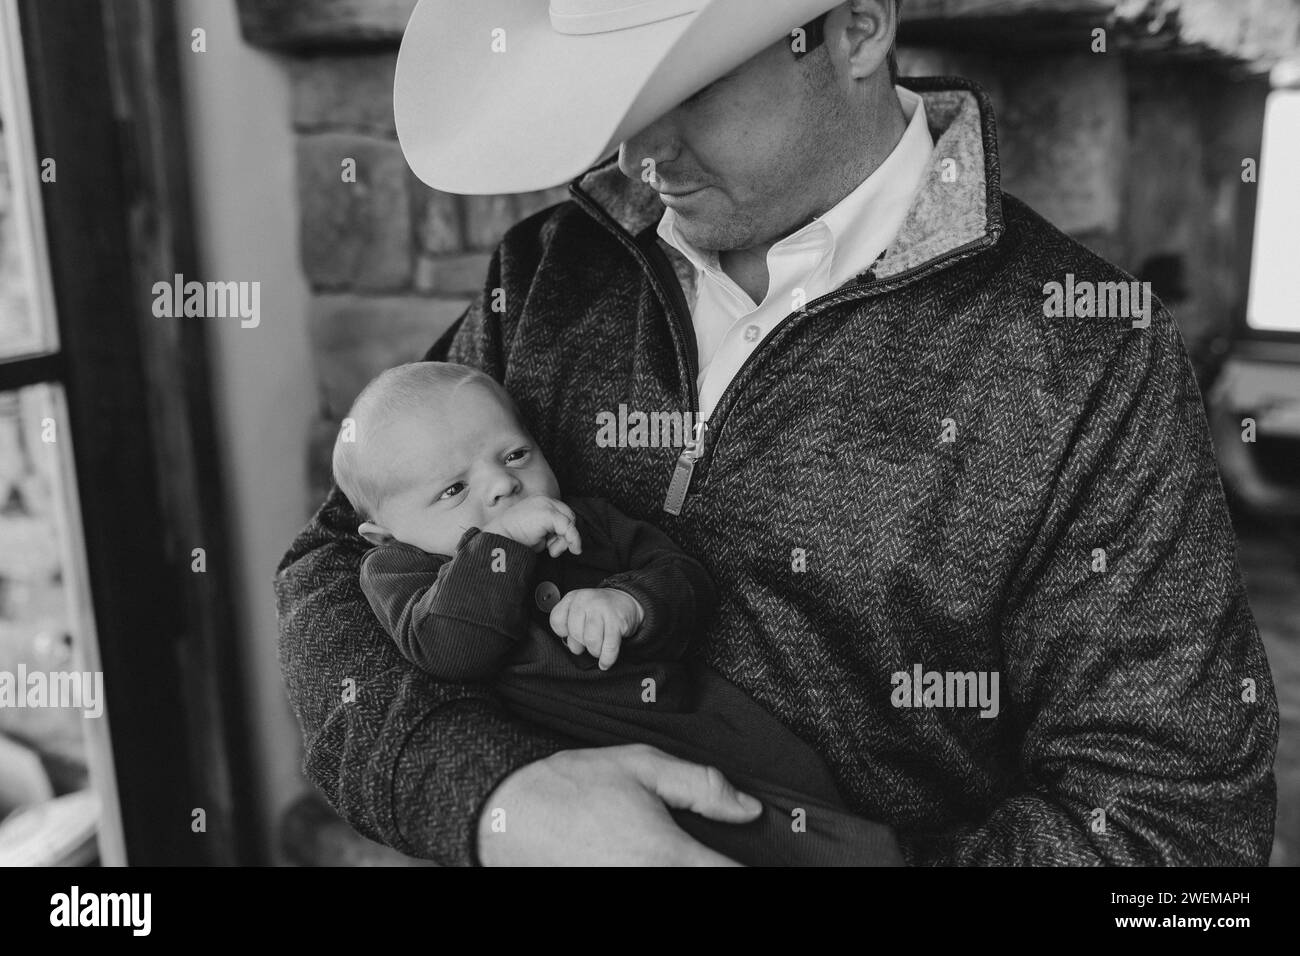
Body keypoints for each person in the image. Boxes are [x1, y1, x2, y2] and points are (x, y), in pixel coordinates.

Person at [275, 0, 1279, 865]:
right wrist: (497, 801)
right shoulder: (546, 267)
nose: (639, 152)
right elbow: (336, 559)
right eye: (620, 99)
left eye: (693, 87)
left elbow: (1174, 823)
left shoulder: (1089, 353)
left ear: (854, 30)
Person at [332, 360, 904, 865]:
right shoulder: (399, 571)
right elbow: (452, 649)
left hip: (698, 730)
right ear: (383, 534)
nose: (504, 485)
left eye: (514, 454)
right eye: (454, 490)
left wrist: (630, 602)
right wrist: (499, 546)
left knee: (808, 830)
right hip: (579, 776)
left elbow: (684, 580)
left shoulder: (589, 521)